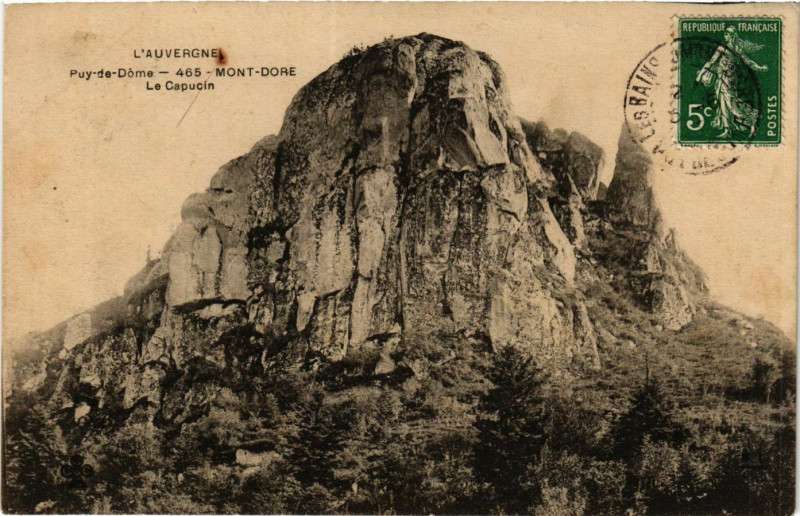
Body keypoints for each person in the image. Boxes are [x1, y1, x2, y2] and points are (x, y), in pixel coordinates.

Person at [695, 26, 768, 138]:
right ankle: (727, 130)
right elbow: (712, 61)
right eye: (724, 34)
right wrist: (700, 75)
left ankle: (753, 118)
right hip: (721, 78)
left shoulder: (736, 49)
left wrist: (760, 68)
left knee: (730, 102)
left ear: (732, 35)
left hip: (729, 80)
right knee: (723, 103)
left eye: (727, 34)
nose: (725, 36)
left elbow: (749, 62)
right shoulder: (724, 48)